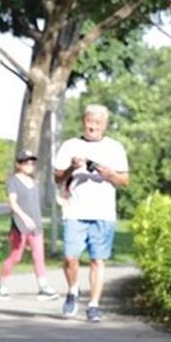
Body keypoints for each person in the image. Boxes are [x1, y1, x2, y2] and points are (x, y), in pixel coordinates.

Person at [52, 104, 130, 322]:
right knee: (70, 257)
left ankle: (94, 304)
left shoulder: (114, 148)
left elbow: (125, 181)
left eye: (98, 123)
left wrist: (109, 174)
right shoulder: (70, 145)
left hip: (103, 212)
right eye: (90, 121)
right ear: (83, 122)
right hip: (75, 211)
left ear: (104, 125)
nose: (93, 126)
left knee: (98, 260)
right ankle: (73, 291)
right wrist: (71, 168)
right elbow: (57, 178)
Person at [0, 151, 60, 300]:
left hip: (36, 225)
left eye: (32, 162)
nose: (29, 165)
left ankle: (43, 287)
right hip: (20, 225)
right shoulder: (13, 181)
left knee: (39, 256)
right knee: (16, 256)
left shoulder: (34, 182)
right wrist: (24, 218)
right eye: (25, 162)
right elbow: (12, 202)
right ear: (18, 164)